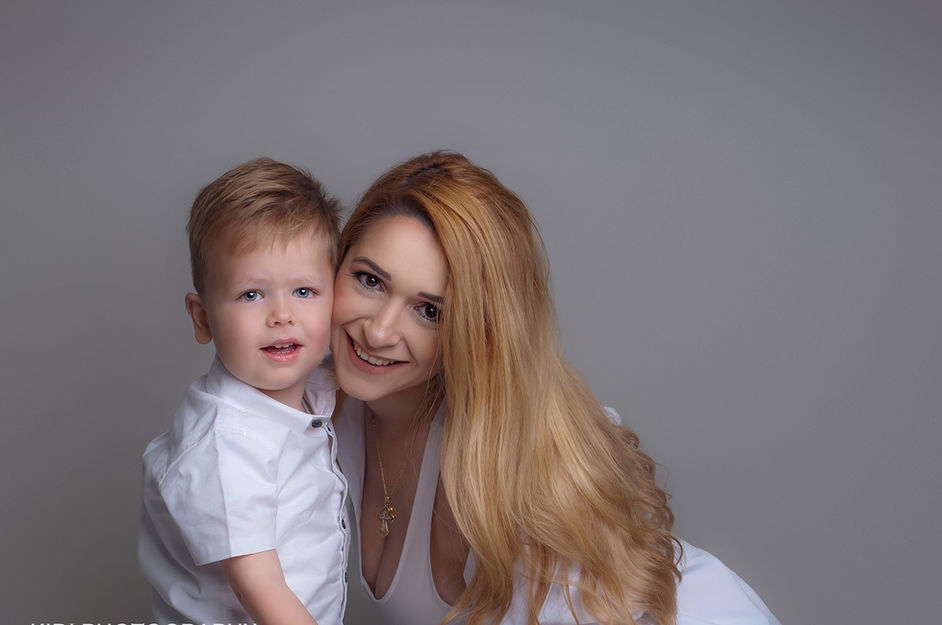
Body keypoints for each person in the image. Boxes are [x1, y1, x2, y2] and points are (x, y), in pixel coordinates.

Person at [332, 151, 781, 625]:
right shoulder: (318, 400)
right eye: (370, 280)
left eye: (430, 312)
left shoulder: (504, 461)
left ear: (479, 331)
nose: (378, 332)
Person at [139, 158, 348, 625]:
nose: (282, 315)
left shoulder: (310, 384)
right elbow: (264, 592)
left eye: (305, 291)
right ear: (203, 318)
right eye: (252, 294)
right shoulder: (225, 449)